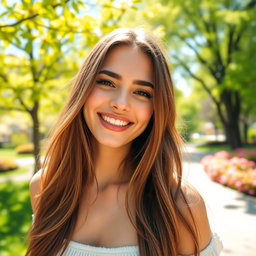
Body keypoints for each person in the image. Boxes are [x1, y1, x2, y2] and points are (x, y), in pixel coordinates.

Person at [26, 28, 223, 256]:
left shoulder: (181, 207)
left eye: (141, 92)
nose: (121, 104)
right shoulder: (46, 186)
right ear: (84, 88)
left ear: (157, 109)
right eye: (107, 83)